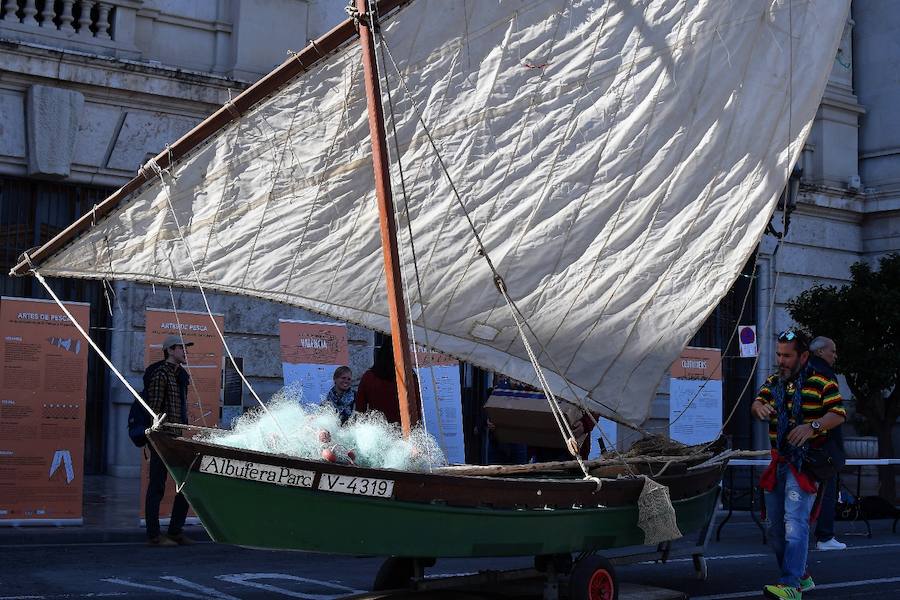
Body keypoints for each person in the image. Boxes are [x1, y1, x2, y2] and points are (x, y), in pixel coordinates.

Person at [751, 330, 846, 599]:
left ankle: (790, 584)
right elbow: (758, 401)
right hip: (778, 462)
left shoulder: (822, 381)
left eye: (787, 355)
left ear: (803, 356)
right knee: (774, 528)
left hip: (804, 464)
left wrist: (812, 426)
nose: (781, 360)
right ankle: (800, 576)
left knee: (795, 523)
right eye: (778, 354)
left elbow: (838, 413)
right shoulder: (773, 382)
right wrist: (758, 407)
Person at [144, 335, 194, 547]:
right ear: (170, 350)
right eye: (181, 348)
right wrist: (156, 438)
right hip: (162, 438)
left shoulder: (180, 375)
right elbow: (153, 409)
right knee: (157, 486)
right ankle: (154, 535)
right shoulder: (161, 374)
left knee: (185, 483)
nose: (185, 352)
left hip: (176, 437)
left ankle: (175, 530)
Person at [809, 336, 847, 551]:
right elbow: (833, 412)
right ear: (821, 352)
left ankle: (793, 534)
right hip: (824, 444)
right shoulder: (825, 375)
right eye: (833, 351)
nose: (835, 355)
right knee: (827, 490)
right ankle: (825, 536)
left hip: (801, 441)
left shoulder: (800, 371)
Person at [355, 342, 420, 426]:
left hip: (378, 429)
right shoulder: (410, 378)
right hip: (402, 430)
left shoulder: (369, 377)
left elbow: (360, 409)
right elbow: (416, 407)